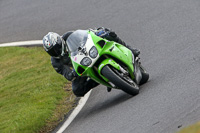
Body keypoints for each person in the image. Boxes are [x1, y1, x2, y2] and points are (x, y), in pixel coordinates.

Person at [42, 27, 140, 97]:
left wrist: (97, 33)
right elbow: (66, 74)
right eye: (52, 51)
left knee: (108, 33)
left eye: (56, 48)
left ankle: (129, 48)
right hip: (82, 66)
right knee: (77, 90)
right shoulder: (55, 61)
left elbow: (86, 35)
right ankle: (99, 79)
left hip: (89, 52)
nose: (56, 52)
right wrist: (72, 74)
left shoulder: (68, 35)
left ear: (60, 41)